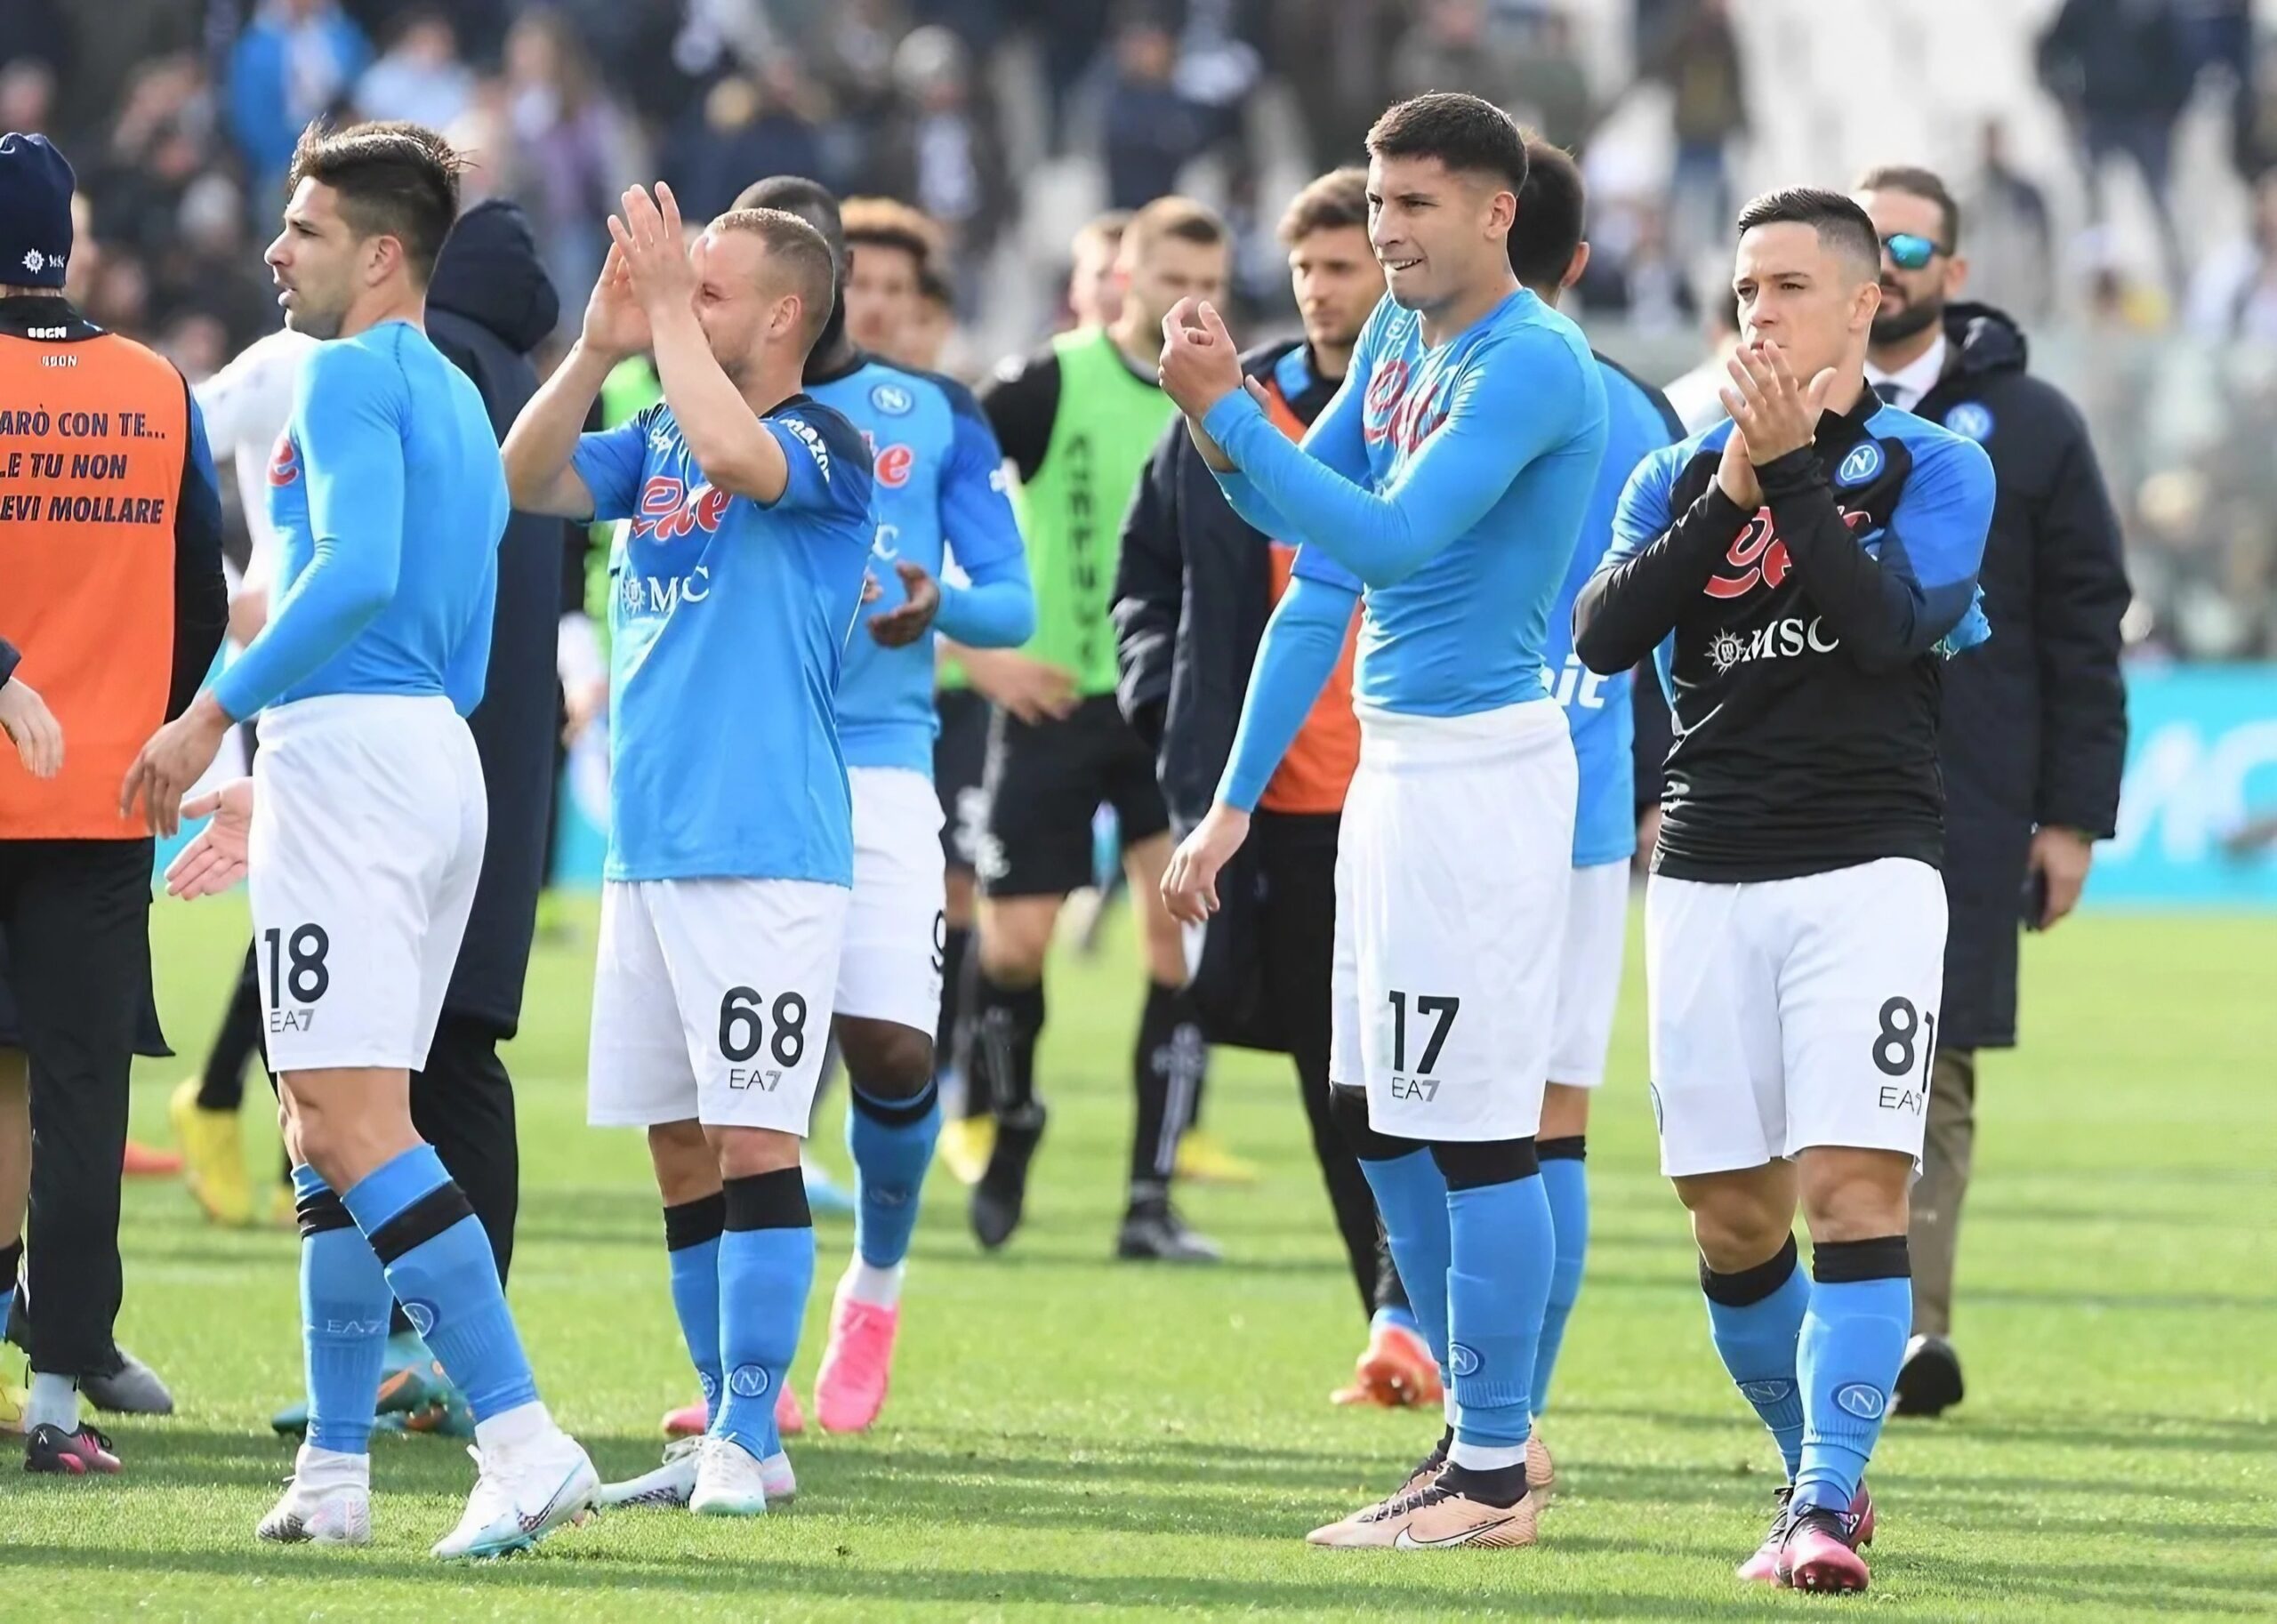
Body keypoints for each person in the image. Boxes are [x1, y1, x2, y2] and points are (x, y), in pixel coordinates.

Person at [139, 119, 597, 1557]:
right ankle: (337, 1469)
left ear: (382, 252)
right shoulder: (460, 397)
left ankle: (522, 1436)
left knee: (348, 1117)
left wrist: (219, 717)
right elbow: (445, 637)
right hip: (428, 755)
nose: (276, 250)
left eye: (308, 230)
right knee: (321, 1126)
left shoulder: (344, 375)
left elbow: (350, 577)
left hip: (358, 758)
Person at [1162, 92, 1609, 1550]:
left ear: (1496, 212)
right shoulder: (1410, 344)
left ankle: (1490, 1471)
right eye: (1376, 202)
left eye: (1417, 205)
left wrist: (1229, 414)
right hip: (1396, 774)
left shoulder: (1534, 363)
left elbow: (1395, 533)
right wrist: (1232, 803)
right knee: (1377, 1114)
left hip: (1483, 771)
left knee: (1480, 1129)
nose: (1387, 231)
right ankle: (1487, 1443)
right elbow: (1314, 570)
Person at [1572, 187, 1995, 1593]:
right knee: (1730, 1215)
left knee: (1849, 1180)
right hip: (1702, 869)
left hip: (1870, 865)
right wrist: (1741, 485)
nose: (1762, 312)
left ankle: (1819, 1497)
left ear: (1867, 303)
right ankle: (1820, 1465)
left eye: (1793, 288)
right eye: (1748, 288)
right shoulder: (1679, 472)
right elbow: (1606, 628)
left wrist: (1797, 469)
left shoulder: (1938, 466)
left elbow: (1887, 632)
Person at [606, 173, 1029, 1478]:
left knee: (892, 1042)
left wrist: (933, 600)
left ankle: (876, 1285)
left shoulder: (921, 419)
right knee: (715, 1110)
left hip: (876, 754)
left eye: (904, 290)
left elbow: (1010, 609)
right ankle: (742, 1398)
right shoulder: (680, 395)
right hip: (727, 769)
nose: (889, 309)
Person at [501, 186, 873, 1517]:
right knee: (677, 1146)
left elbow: (736, 462)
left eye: (708, 290)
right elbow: (525, 479)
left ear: (785, 315)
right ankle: (734, 1427)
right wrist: (601, 347)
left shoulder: (824, 443)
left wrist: (661, 315)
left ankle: (750, 1424)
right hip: (650, 853)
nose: (681, 304)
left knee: (756, 1139)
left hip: (767, 850)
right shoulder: (653, 423)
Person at [1112, 166, 1432, 1403]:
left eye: (1342, 265)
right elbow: (1148, 577)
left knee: (1418, 1065)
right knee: (1332, 1073)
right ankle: (1393, 1319)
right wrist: (1167, 696)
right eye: (1303, 270)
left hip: (1398, 784)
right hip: (1280, 810)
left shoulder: (1425, 404)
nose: (1320, 289)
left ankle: (1420, 1319)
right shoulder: (1221, 407)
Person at [1852, 165, 2129, 1419]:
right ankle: (1808, 1312)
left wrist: (2071, 816)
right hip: (1799, 784)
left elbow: (2084, 631)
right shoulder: (1783, 405)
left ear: (1953, 273)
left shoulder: (2036, 425)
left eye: (1913, 241)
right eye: (1871, 239)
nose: (1891, 261)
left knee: (1935, 1064)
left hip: (1967, 796)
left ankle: (1911, 1331)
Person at [0, 130, 228, 1474]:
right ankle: (56, 1400)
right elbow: (202, 591)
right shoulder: (156, 387)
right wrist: (168, 733)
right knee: (81, 1096)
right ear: (70, 243)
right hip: (97, 797)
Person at [961, 197, 1232, 1261]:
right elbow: (940, 491)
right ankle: (1013, 1111)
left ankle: (1149, 1197)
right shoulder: (1044, 384)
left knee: (1177, 949)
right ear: (1124, 274)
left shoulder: (1227, 398)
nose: (1184, 297)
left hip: (1173, 711)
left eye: (1204, 279)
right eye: (1167, 273)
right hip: (1056, 703)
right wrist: (978, 648)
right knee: (1014, 945)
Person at [1501, 138, 1687, 1453]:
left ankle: (1487, 1418)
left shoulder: (1437, 390)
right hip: (1588, 787)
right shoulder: (1645, 409)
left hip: (1460, 785)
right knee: (1550, 1116)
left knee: (1436, 1117)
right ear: (1580, 259)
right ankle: (1517, 1406)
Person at [838, 196, 940, 361]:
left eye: (895, 289)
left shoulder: (937, 387)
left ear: (916, 301)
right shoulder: (789, 384)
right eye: (860, 284)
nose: (877, 304)